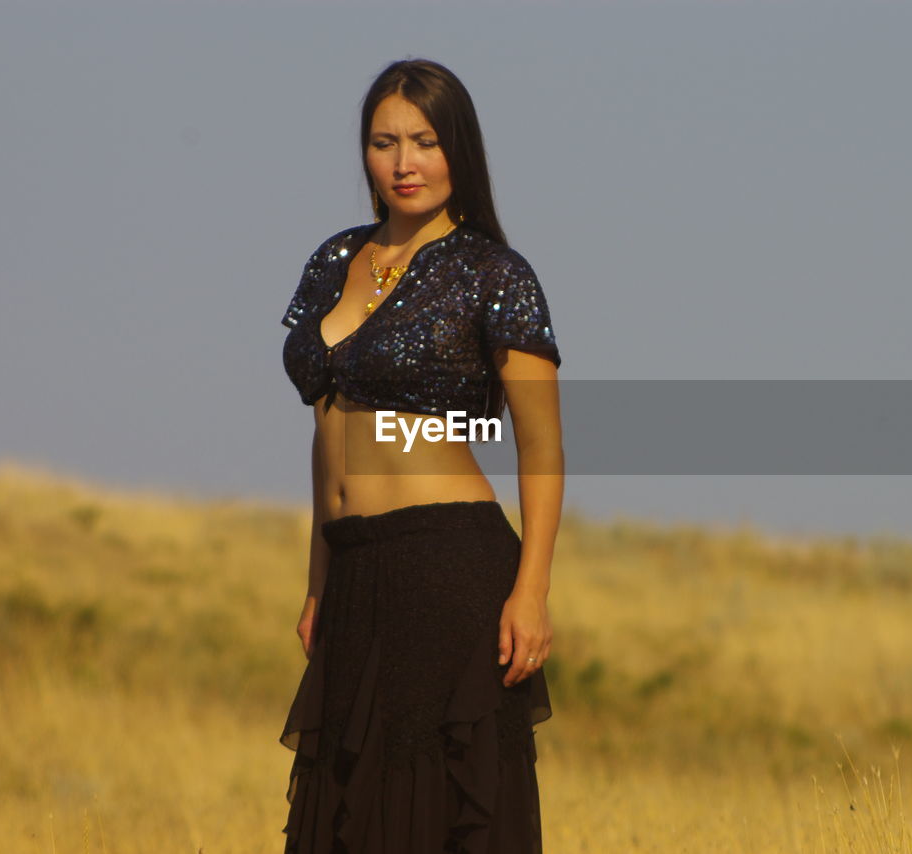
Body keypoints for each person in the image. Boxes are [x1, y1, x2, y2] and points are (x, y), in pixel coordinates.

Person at [276, 58, 563, 854]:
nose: (404, 163)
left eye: (426, 142)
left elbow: (541, 448)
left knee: (431, 811)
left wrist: (531, 591)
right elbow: (326, 432)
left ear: (458, 151)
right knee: (349, 812)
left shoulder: (492, 272)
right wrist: (318, 581)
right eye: (384, 142)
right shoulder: (335, 261)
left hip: (450, 565)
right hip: (355, 569)